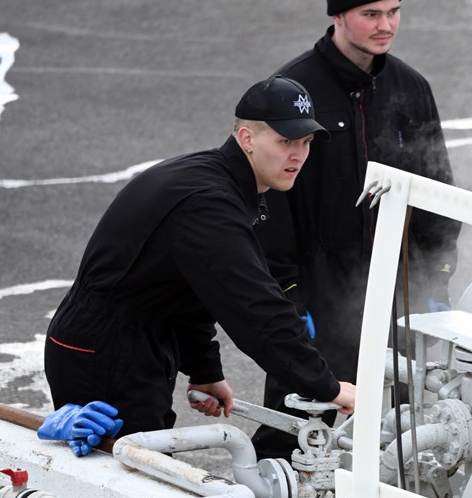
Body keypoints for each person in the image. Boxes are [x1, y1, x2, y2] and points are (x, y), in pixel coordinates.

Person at [44, 76, 356, 439]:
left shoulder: (218, 181)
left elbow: (190, 289)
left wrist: (205, 370)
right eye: (286, 140)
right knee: (134, 481)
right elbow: (255, 308)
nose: (298, 154)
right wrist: (326, 386)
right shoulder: (209, 204)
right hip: (106, 354)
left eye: (306, 142)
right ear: (247, 139)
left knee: (144, 470)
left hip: (126, 341)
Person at [252, 0, 460, 460]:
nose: (385, 25)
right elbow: (266, 203)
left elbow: (437, 192)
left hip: (397, 294)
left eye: (394, 11)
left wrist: (437, 281)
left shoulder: (411, 88)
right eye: (371, 13)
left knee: (399, 428)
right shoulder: (295, 92)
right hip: (321, 297)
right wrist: (290, 298)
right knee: (301, 427)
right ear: (338, 15)